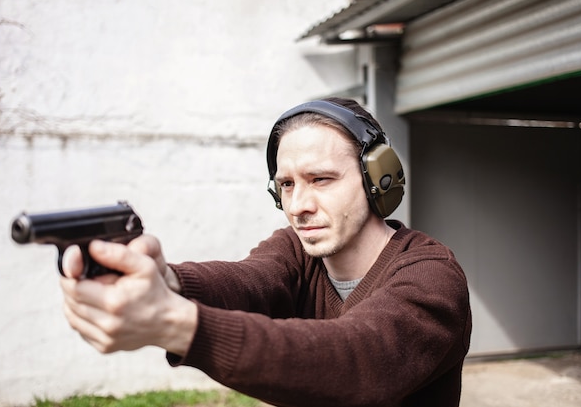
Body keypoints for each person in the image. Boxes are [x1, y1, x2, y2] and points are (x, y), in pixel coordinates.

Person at [60, 97, 472, 407]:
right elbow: (247, 280)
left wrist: (177, 325)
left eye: (321, 179)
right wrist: (165, 280)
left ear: (377, 180)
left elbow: (357, 362)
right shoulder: (294, 251)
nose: (297, 205)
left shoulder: (431, 276)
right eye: (287, 185)